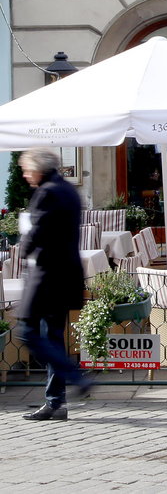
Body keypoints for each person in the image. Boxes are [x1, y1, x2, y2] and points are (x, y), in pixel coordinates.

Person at [18, 147, 91, 420]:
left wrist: (21, 250)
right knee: (52, 337)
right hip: (67, 275)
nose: (25, 175)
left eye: (26, 169)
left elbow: (37, 232)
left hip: (47, 276)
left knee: (27, 332)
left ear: (38, 168)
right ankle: (55, 402)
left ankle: (75, 377)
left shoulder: (47, 191)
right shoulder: (69, 190)